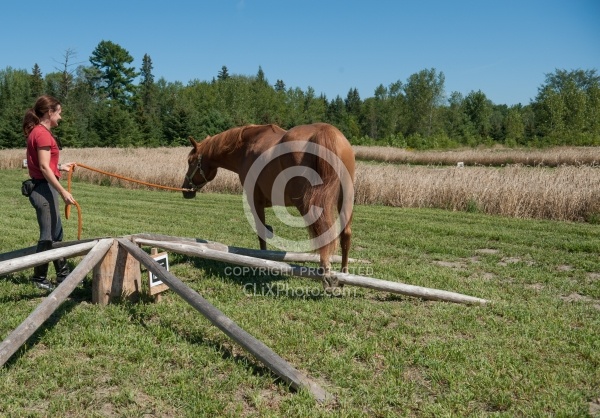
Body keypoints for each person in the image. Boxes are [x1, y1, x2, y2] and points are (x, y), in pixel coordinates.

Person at [23, 95, 77, 290]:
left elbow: (45, 165)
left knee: (56, 233)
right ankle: (39, 278)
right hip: (43, 189)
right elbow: (44, 168)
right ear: (49, 112)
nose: (60, 117)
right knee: (48, 236)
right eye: (59, 113)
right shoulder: (43, 134)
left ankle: (64, 276)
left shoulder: (37, 132)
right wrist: (63, 192)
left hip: (43, 186)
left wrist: (61, 166)